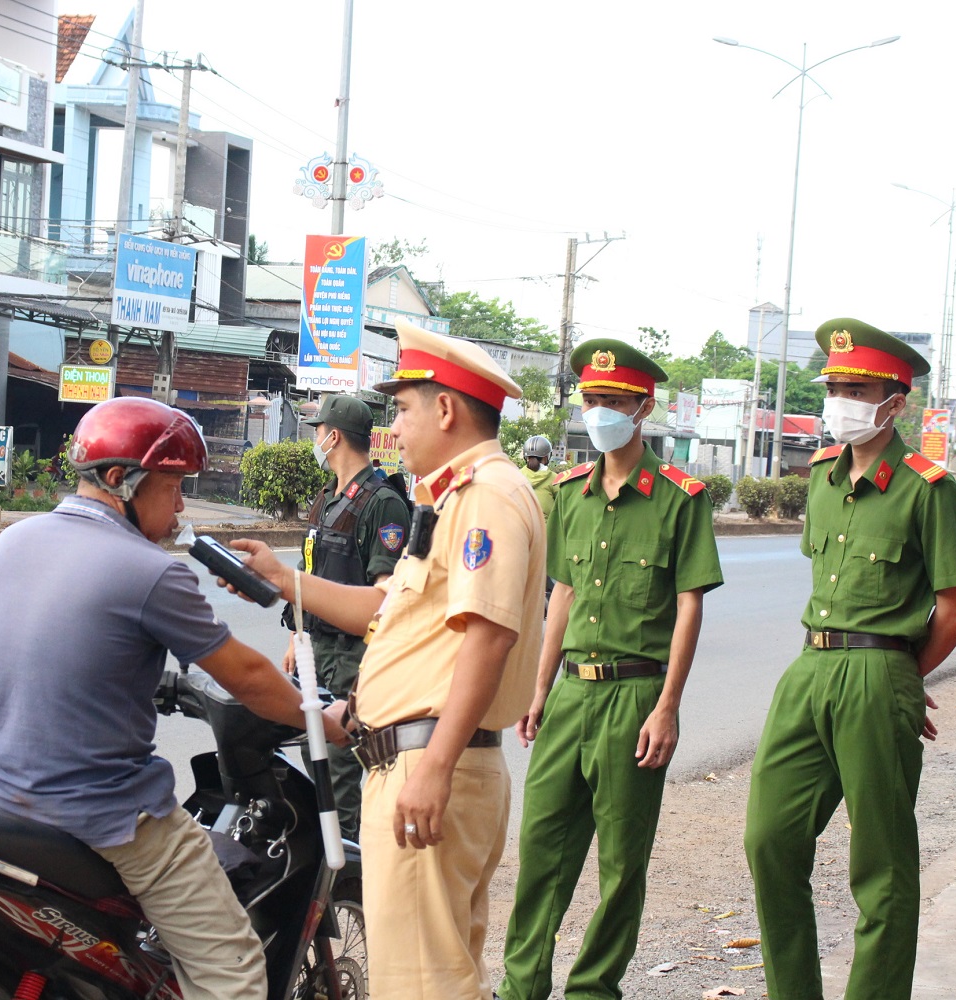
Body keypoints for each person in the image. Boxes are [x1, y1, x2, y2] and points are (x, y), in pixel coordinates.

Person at [0, 396, 346, 1000]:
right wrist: (324, 720)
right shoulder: (152, 572)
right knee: (232, 969)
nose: (179, 506)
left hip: (6, 799)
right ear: (122, 480)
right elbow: (248, 677)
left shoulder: (16, 542)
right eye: (173, 487)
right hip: (111, 817)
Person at [230, 318, 546, 999]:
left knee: (423, 984)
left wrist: (432, 768)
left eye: (401, 409)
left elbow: (489, 637)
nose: (394, 429)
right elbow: (390, 614)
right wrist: (286, 582)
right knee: (436, 974)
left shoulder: (485, 495)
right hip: (414, 756)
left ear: (446, 408)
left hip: (430, 764)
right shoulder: (449, 498)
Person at [743, 318, 956, 1000]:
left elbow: (955, 606)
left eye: (855, 387)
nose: (838, 399)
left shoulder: (927, 488)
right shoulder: (820, 476)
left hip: (879, 671)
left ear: (894, 402)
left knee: (881, 866)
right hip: (809, 666)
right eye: (834, 386)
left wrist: (902, 676)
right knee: (770, 840)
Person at [499, 341, 723, 1000]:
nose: (600, 413)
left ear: (643, 407)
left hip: (635, 698)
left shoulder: (681, 498)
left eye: (613, 403)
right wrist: (538, 689)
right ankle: (521, 987)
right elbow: (561, 596)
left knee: (622, 864)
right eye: (591, 401)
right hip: (571, 694)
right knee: (541, 849)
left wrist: (668, 706)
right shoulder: (570, 492)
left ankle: (593, 989)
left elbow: (688, 606)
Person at [291, 393, 411, 841]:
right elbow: (312, 570)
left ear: (333, 436)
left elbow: (386, 597)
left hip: (351, 658)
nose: (316, 439)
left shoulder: (383, 503)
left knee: (339, 780)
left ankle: (349, 884)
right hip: (315, 652)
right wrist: (296, 637)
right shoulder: (328, 498)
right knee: (312, 764)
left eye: (318, 431)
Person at [519, 434, 559, 521]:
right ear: (546, 457)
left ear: (526, 457)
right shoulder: (555, 479)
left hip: (521, 529)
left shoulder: (516, 476)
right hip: (546, 531)